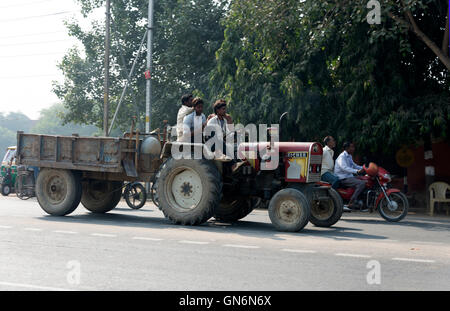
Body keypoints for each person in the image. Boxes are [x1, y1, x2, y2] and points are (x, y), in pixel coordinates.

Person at [334, 141, 366, 209]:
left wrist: (364, 168)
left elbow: (354, 165)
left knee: (366, 179)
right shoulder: (342, 157)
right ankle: (352, 202)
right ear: (347, 148)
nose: (354, 148)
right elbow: (344, 168)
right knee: (361, 183)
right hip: (343, 178)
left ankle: (362, 201)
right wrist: (357, 171)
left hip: (349, 176)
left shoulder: (349, 156)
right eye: (352, 147)